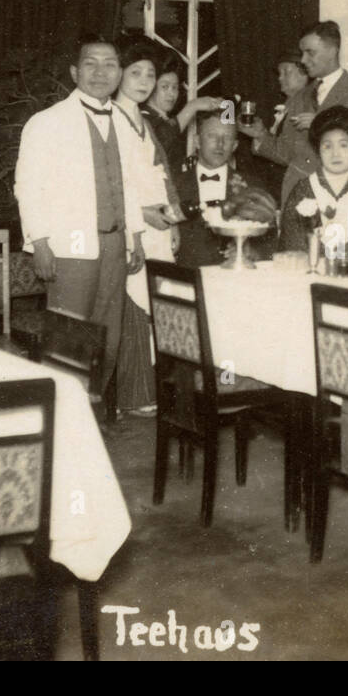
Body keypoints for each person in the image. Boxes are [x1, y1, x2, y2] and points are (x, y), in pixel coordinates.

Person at [14, 33, 145, 395]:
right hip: (69, 248)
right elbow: (27, 186)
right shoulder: (46, 122)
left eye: (110, 64)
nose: (100, 72)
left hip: (116, 244)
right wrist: (39, 243)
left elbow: (130, 184)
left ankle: (94, 411)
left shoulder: (123, 122)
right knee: (68, 335)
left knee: (108, 334)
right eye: (91, 64)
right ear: (75, 72)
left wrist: (134, 237)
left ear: (119, 73)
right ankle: (64, 418)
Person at [113, 35, 185, 414]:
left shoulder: (143, 121)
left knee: (156, 305)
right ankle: (135, 395)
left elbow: (163, 172)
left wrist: (173, 222)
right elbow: (113, 184)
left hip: (159, 225)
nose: (143, 81)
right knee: (135, 308)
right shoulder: (110, 118)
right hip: (133, 227)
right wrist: (138, 220)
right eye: (135, 72)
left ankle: (154, 387)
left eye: (150, 74)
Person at [246, 20, 348, 203]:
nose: (303, 60)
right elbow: (287, 153)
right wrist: (260, 135)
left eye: (310, 53)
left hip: (336, 200)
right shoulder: (299, 97)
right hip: (295, 197)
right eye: (302, 53)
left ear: (332, 51)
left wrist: (325, 125)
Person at [173, 109, 276, 268]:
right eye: (212, 136)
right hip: (187, 279)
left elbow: (270, 241)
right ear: (197, 141)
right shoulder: (173, 185)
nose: (220, 144)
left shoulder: (253, 186)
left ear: (235, 145)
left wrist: (252, 251)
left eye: (227, 138)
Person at [278, 106, 348, 255]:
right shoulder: (303, 190)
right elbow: (292, 243)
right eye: (327, 146)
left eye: (343, 145)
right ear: (318, 150)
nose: (335, 154)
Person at [141, 48, 224, 177]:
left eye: (175, 87)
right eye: (165, 87)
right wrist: (192, 106)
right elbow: (161, 139)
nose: (171, 93)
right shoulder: (143, 116)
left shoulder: (167, 121)